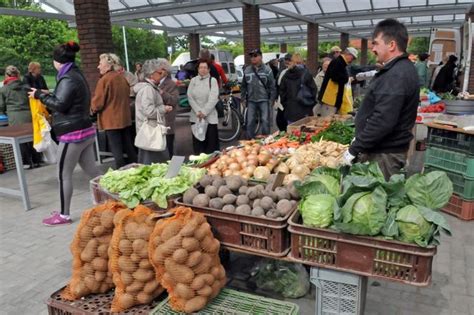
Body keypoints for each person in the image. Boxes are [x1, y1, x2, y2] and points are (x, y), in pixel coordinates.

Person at [28, 42, 101, 226]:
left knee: (63, 174)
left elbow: (60, 104)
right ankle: (112, 201)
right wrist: (46, 93)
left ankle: (64, 215)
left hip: (72, 134)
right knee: (93, 172)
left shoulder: (67, 77)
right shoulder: (75, 73)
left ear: (57, 62)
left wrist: (39, 95)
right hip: (85, 131)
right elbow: (66, 98)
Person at [343, 19, 419, 180]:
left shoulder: (396, 74)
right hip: (383, 151)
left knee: (376, 201)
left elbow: (383, 119)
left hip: (384, 155)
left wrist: (355, 148)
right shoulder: (397, 69)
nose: (373, 49)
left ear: (391, 45)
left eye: (376, 44)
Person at [91, 53, 137, 169]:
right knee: (129, 147)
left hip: (111, 121)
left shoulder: (104, 80)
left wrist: (91, 110)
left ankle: (121, 173)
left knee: (117, 151)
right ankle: (136, 169)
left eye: (100, 64)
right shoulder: (121, 78)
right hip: (125, 118)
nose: (98, 66)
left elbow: (97, 103)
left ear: (107, 66)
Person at [133, 59, 173, 164]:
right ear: (151, 74)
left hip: (149, 132)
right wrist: (164, 109)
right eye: (159, 73)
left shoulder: (149, 88)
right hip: (151, 133)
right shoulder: (148, 89)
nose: (162, 75)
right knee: (154, 163)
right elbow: (149, 111)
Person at [0, 65, 40, 169]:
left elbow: (1, 106)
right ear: (18, 74)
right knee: (31, 138)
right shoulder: (26, 87)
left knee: (18, 140)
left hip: (14, 116)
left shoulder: (4, 89)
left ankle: (26, 163)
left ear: (6, 75)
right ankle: (36, 161)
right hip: (28, 114)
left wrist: (7, 112)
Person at [240, 48, 276, 139]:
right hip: (251, 100)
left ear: (261, 57)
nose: (253, 58)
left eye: (255, 56)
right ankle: (249, 140)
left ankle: (265, 140)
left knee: (265, 120)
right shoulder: (247, 70)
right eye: (251, 56)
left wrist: (272, 100)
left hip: (264, 100)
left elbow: (272, 86)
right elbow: (243, 85)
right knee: (250, 121)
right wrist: (243, 98)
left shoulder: (268, 70)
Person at [187, 59, 220, 154]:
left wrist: (204, 112)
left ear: (209, 69)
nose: (203, 69)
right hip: (195, 117)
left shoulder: (212, 80)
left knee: (210, 144)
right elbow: (190, 97)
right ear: (197, 69)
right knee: (198, 143)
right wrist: (198, 112)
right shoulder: (193, 80)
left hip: (210, 117)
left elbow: (214, 98)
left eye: (205, 67)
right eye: (201, 67)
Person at [316, 47, 358, 117]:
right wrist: (346, 79)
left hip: (333, 98)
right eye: (353, 58)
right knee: (327, 119)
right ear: (348, 54)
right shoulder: (338, 62)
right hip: (330, 99)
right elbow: (335, 77)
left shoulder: (341, 62)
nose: (352, 60)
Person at [279, 53, 317, 124]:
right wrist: (310, 104)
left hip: (291, 110)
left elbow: (282, 92)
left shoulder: (286, 75)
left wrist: (286, 105)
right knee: (306, 132)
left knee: (292, 131)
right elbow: (314, 90)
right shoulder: (306, 74)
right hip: (305, 109)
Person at [156, 58, 179, 157]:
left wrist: (162, 93)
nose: (158, 71)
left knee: (169, 147)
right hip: (157, 120)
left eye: (160, 69)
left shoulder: (171, 84)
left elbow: (174, 100)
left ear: (166, 71)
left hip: (167, 120)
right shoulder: (155, 83)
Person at [275, 54, 292, 131]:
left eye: (289, 60)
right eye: (286, 59)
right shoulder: (283, 72)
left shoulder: (299, 72)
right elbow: (278, 85)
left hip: (292, 101)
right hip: (282, 101)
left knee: (289, 121)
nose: (287, 61)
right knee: (280, 120)